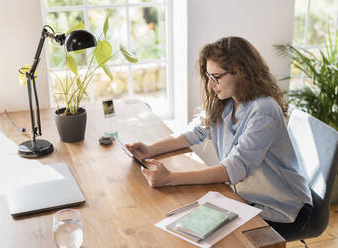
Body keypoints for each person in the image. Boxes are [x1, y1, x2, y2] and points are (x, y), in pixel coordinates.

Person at [126, 36, 313, 239]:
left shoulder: (264, 110)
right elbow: (194, 132)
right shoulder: (226, 101)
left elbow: (235, 168)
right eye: (208, 77)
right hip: (245, 199)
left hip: (282, 209)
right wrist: (151, 149)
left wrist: (170, 178)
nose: (210, 86)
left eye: (216, 77)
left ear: (241, 73)